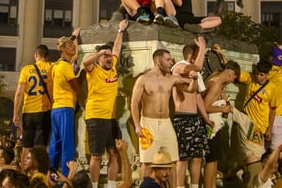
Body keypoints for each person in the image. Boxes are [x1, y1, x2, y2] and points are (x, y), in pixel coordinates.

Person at [130, 48, 200, 188]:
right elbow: (134, 103)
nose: (171, 62)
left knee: (173, 160)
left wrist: (194, 79)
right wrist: (137, 125)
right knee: (147, 161)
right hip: (148, 124)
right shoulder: (143, 79)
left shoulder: (172, 78)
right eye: (168, 59)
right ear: (158, 61)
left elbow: (190, 89)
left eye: (171, 59)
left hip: (166, 123)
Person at [82, 19, 128, 188]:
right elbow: (85, 62)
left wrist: (120, 30)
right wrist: (99, 53)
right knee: (96, 155)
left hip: (111, 118)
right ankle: (93, 186)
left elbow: (117, 48)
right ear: (100, 59)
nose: (109, 58)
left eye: (109, 56)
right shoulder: (94, 70)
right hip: (96, 117)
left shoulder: (113, 67)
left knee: (114, 153)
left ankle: (110, 185)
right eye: (105, 56)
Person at [171, 36, 210, 188]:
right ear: (190, 55)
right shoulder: (180, 67)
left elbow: (198, 96)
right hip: (183, 118)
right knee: (183, 159)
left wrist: (205, 117)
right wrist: (203, 46)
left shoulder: (195, 73)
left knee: (198, 157)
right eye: (199, 53)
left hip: (195, 119)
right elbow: (197, 67)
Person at [236, 59, 277, 188]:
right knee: (246, 152)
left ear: (267, 74)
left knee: (256, 156)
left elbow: (273, 110)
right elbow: (234, 72)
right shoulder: (250, 78)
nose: (259, 77)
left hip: (260, 127)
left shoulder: (272, 88)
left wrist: (270, 129)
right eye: (258, 74)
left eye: (262, 75)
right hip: (247, 122)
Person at [12, 44, 53, 168]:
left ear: (36, 55)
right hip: (43, 111)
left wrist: (15, 113)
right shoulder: (51, 67)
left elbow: (19, 93)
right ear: (47, 56)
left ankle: (24, 172)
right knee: (40, 146)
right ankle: (38, 172)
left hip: (28, 112)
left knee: (26, 145)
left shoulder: (26, 69)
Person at [202, 59, 241, 188]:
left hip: (216, 125)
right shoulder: (215, 84)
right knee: (211, 159)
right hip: (210, 125)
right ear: (230, 74)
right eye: (232, 79)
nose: (231, 82)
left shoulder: (218, 82)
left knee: (215, 159)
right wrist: (222, 109)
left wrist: (224, 98)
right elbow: (205, 106)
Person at [48, 30, 82, 178]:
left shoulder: (57, 65)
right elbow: (77, 87)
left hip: (56, 108)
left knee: (55, 144)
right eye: (69, 45)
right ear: (62, 49)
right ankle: (67, 178)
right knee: (68, 144)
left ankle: (51, 174)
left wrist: (74, 36)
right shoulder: (66, 67)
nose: (73, 46)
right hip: (65, 107)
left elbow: (75, 55)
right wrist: (83, 74)